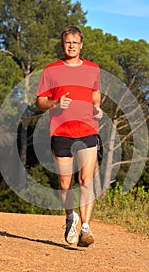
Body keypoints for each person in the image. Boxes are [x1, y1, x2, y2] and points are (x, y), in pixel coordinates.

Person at [36, 25, 103, 247]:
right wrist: (56, 102)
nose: (72, 45)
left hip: (87, 130)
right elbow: (39, 102)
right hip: (61, 132)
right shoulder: (50, 70)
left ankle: (85, 228)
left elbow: (95, 94)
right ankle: (70, 217)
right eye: (68, 42)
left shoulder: (93, 69)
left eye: (75, 42)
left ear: (81, 45)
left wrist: (97, 108)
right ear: (62, 44)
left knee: (86, 180)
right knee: (65, 183)